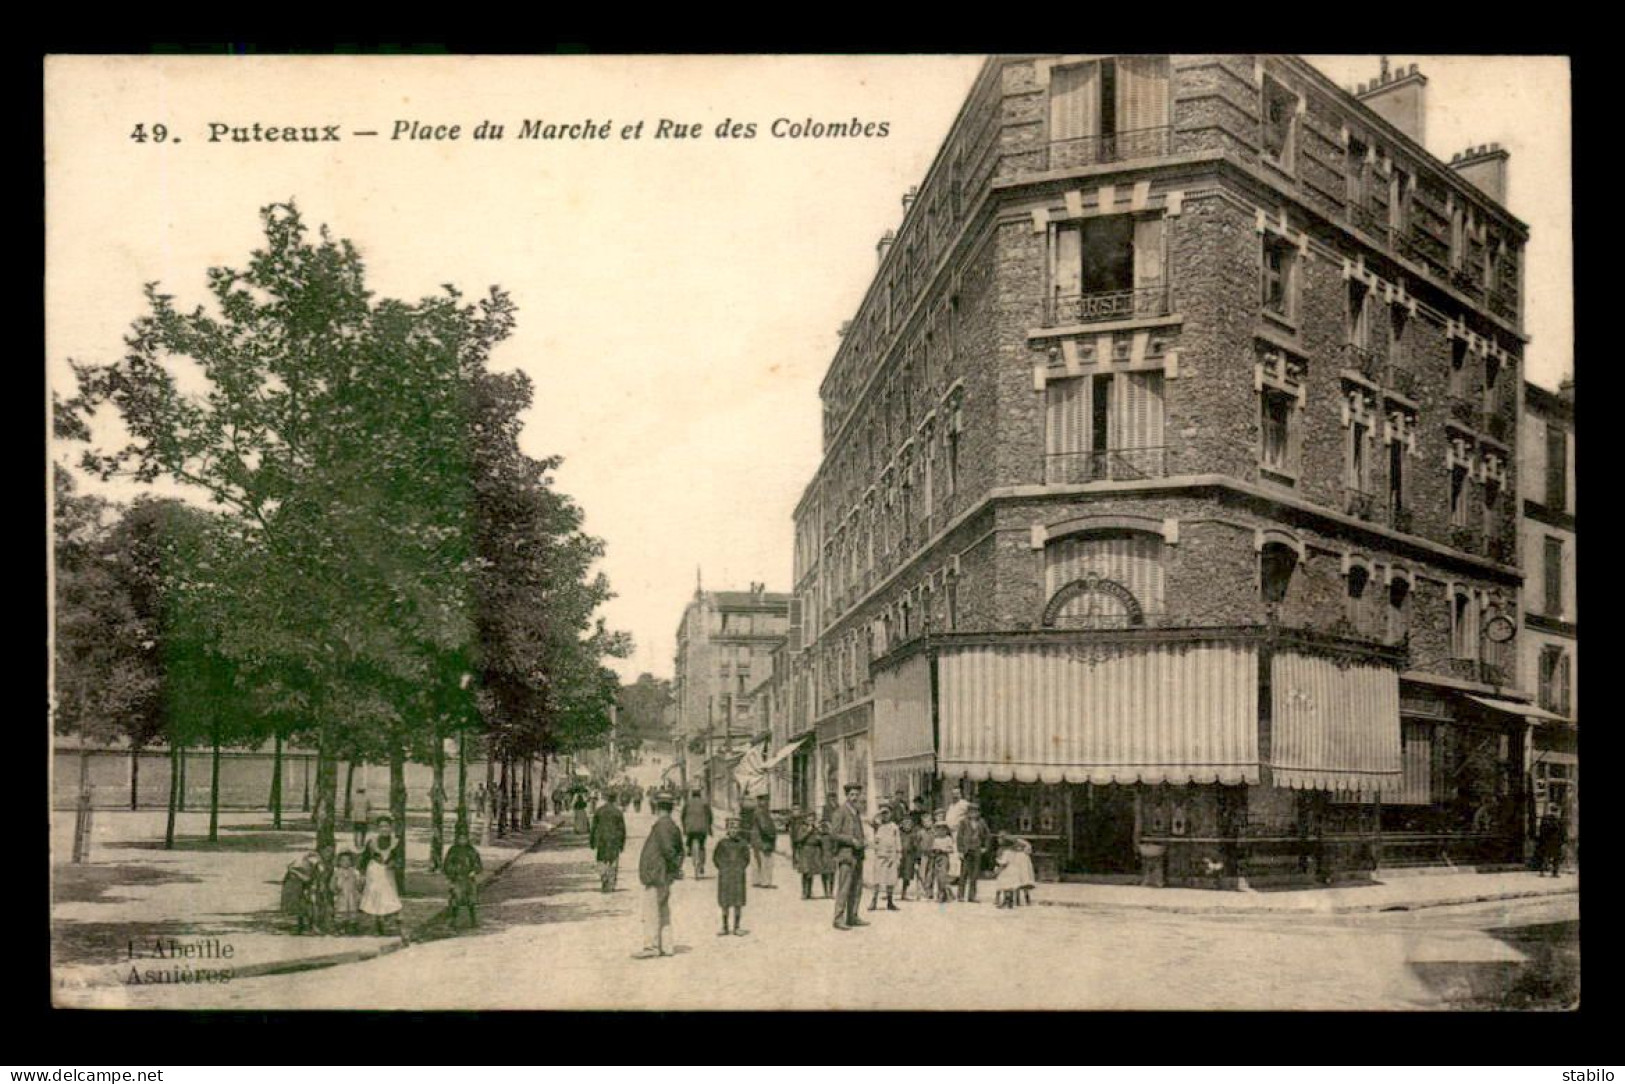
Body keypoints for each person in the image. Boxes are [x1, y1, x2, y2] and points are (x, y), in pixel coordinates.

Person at [635, 791, 685, 958]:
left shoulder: (662, 825)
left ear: (659, 808)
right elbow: (679, 851)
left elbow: (669, 851)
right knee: (663, 910)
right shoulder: (672, 826)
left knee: (651, 911)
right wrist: (675, 869)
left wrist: (672, 869)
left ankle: (651, 946)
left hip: (657, 874)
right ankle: (667, 945)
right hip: (663, 874)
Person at [828, 782, 869, 930]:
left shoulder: (856, 812)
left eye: (857, 795)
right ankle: (838, 918)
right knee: (844, 887)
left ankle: (852, 916)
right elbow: (834, 834)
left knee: (857, 887)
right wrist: (851, 840)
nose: (855, 797)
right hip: (846, 855)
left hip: (858, 854)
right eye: (852, 794)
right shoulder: (840, 812)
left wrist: (864, 841)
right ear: (846, 796)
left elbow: (859, 832)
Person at [360, 817, 406, 940]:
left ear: (391, 828)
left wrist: (394, 863)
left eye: (387, 826)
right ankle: (376, 924)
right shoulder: (372, 842)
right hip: (374, 871)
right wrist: (362, 873)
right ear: (377, 829)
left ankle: (388, 923)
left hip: (388, 873)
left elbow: (399, 858)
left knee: (389, 897)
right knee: (375, 896)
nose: (384, 829)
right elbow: (364, 858)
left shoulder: (396, 842)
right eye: (381, 827)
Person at [713, 817, 752, 936]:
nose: (734, 830)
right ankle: (724, 927)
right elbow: (716, 858)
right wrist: (723, 868)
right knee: (725, 901)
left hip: (738, 876)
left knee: (738, 901)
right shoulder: (722, 843)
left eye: (736, 828)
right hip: (725, 875)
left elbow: (746, 859)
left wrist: (740, 868)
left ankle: (737, 926)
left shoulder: (743, 844)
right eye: (731, 827)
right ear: (727, 829)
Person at [442, 822, 484, 928]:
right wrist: (452, 873)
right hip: (457, 879)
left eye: (464, 838)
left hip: (469, 879)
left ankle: (473, 920)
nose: (462, 840)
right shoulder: (453, 851)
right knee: (455, 900)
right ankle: (453, 920)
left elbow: (478, 864)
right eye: (460, 838)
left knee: (471, 901)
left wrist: (474, 871)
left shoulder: (471, 851)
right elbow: (447, 865)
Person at [590, 791, 628, 892]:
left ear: (606, 798)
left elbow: (593, 827)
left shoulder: (599, 811)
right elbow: (622, 829)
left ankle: (604, 877)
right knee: (613, 861)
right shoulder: (618, 812)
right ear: (615, 799)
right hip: (614, 840)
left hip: (602, 839)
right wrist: (622, 843)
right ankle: (610, 883)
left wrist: (592, 841)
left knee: (601, 860)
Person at [868, 805, 902, 912]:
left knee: (891, 879)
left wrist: (899, 854)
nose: (885, 815)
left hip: (891, 856)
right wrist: (878, 813)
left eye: (887, 813)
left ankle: (890, 902)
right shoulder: (878, 826)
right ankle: (874, 901)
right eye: (883, 813)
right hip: (880, 855)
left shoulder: (894, 827)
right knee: (877, 879)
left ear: (891, 814)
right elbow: (870, 821)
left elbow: (898, 841)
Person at [956, 801, 991, 903]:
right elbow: (959, 837)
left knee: (974, 874)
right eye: (971, 811)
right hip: (966, 850)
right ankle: (960, 895)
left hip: (977, 850)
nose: (973, 813)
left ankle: (972, 896)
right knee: (964, 873)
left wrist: (985, 847)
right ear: (968, 812)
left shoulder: (982, 822)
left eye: (976, 811)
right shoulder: (963, 822)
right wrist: (960, 851)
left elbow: (987, 836)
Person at [280, 851, 321, 934]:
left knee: (310, 909)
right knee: (301, 910)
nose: (308, 865)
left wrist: (293, 871)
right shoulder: (297, 871)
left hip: (309, 892)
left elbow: (307, 879)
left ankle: (311, 926)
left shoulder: (313, 870)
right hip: (299, 893)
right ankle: (301, 927)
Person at [791, 812, 827, 899]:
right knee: (805, 872)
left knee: (811, 872)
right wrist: (808, 831)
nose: (811, 821)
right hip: (805, 851)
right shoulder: (803, 828)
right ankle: (804, 892)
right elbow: (799, 839)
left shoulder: (816, 829)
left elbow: (821, 840)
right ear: (806, 820)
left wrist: (819, 837)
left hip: (814, 852)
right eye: (809, 819)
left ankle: (809, 892)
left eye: (812, 819)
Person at [681, 788, 714, 878]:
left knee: (689, 840)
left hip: (690, 828)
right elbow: (710, 816)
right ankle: (702, 864)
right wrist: (709, 827)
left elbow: (682, 816)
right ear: (700, 795)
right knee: (702, 846)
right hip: (702, 829)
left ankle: (689, 850)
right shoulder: (705, 803)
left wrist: (684, 828)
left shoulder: (687, 803)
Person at [748, 794, 778, 889]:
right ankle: (766, 882)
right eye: (765, 801)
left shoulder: (756, 811)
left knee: (757, 861)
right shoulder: (762, 812)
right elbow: (764, 826)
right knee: (766, 861)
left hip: (756, 840)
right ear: (761, 801)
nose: (766, 803)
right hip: (763, 840)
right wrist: (772, 835)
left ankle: (756, 880)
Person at [332, 850, 363, 933]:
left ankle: (352, 927)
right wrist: (335, 889)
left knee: (352, 911)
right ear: (339, 862)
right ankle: (340, 928)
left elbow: (358, 883)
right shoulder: (337, 872)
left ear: (351, 861)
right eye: (343, 860)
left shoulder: (354, 872)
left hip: (352, 894)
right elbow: (333, 883)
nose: (345, 862)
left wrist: (360, 884)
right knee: (341, 911)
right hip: (342, 895)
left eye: (348, 860)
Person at [929, 815, 957, 902]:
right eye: (939, 829)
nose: (941, 831)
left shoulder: (948, 839)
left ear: (946, 830)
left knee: (943, 877)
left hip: (944, 858)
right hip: (937, 858)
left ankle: (944, 895)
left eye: (943, 829)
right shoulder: (936, 839)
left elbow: (951, 849)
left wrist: (944, 850)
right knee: (938, 877)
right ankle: (943, 894)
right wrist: (934, 851)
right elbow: (932, 848)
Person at [1537, 813, 1566, 877]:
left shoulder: (1554, 820)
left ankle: (1549, 872)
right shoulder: (1553, 820)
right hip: (1552, 841)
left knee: (1550, 856)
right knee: (1550, 857)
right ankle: (1549, 872)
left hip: (1552, 841)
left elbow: (1563, 831)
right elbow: (1562, 831)